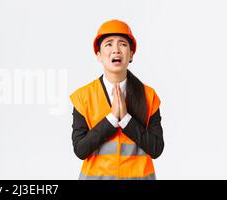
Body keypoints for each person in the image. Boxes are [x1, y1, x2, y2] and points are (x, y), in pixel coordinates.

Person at [70, 19, 164, 180]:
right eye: (108, 44)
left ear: (131, 54)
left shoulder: (149, 96)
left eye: (122, 44)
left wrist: (127, 119)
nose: (116, 50)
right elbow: (80, 150)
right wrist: (112, 119)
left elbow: (156, 149)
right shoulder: (83, 97)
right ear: (98, 54)